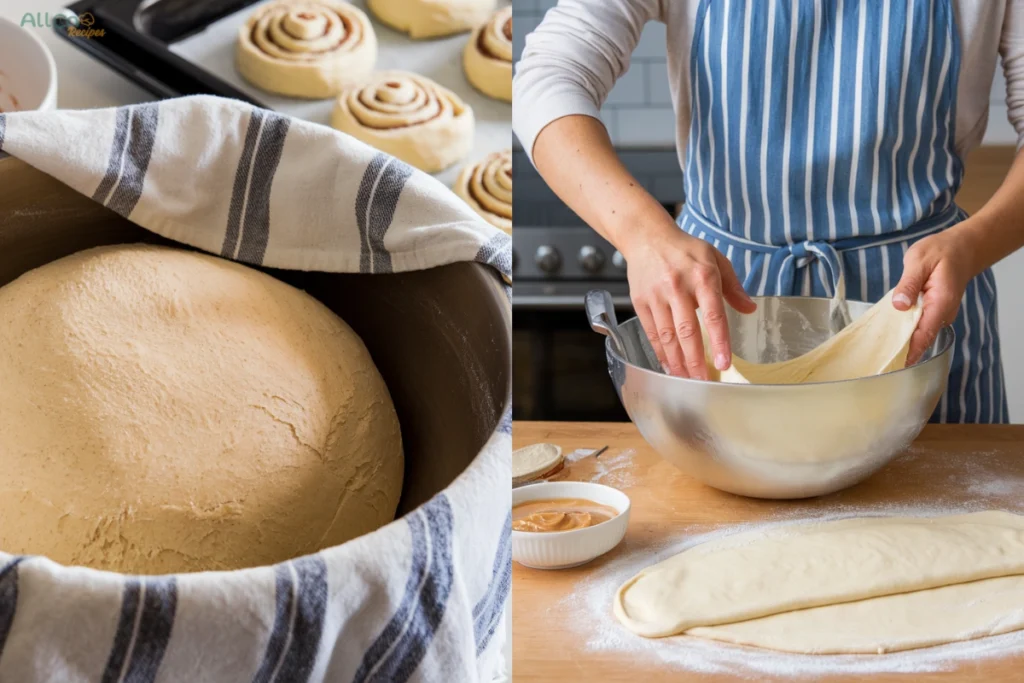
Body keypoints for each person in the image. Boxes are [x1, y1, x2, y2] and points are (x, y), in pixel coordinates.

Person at [512, 0, 1024, 423]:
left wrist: (974, 244)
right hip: (727, 313)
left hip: (918, 315)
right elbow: (549, 74)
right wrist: (643, 235)